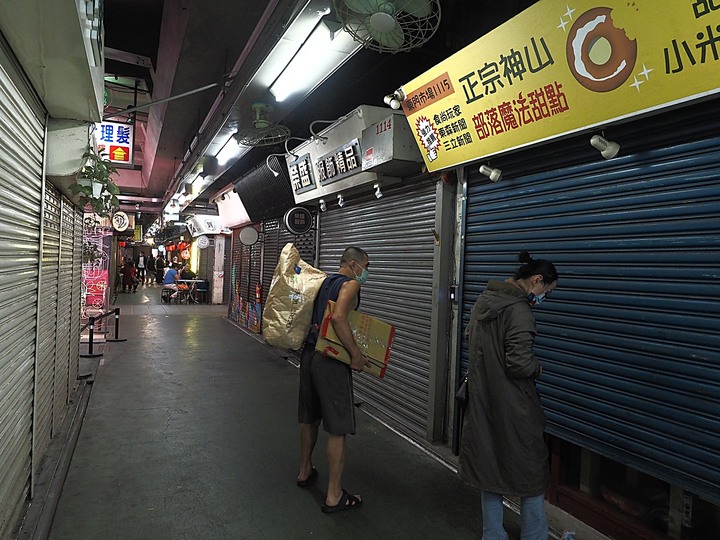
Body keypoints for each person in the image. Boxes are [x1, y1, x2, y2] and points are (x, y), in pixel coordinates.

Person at [459, 251, 558, 540]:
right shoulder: (518, 310)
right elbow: (519, 363)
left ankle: (493, 535)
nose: (543, 298)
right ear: (536, 280)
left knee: (489, 470)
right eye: (546, 291)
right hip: (515, 406)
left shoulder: (484, 301)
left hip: (483, 400)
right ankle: (535, 535)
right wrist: (538, 368)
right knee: (532, 473)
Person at [297, 246, 370, 514]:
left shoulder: (324, 280)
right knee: (337, 426)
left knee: (309, 417)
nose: (366, 273)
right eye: (366, 266)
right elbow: (339, 318)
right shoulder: (350, 285)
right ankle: (334, 495)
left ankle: (305, 470)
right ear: (354, 264)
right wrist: (356, 354)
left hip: (308, 356)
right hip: (330, 360)